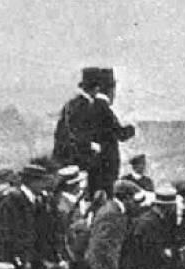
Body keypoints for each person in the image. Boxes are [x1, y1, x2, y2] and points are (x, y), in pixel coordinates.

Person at [52, 67, 135, 199]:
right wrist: (91, 145)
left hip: (79, 162)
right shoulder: (85, 106)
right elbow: (75, 134)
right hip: (84, 163)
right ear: (97, 88)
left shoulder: (79, 105)